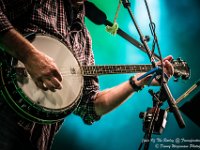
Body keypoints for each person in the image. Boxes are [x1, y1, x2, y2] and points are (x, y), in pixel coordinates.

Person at [0, 0, 174, 150]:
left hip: (37, 139)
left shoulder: (84, 40)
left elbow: (91, 107)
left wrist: (139, 81)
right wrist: (29, 55)